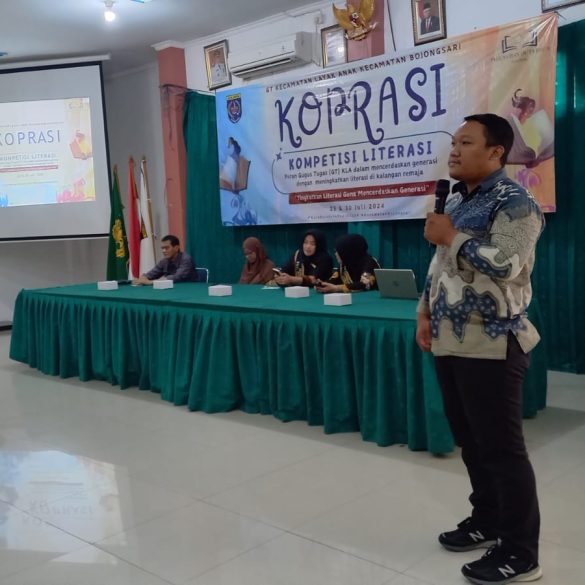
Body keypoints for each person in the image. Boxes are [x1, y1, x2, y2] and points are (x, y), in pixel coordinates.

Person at [416, 114, 544, 585]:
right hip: (451, 338)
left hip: (493, 341)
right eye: (453, 142)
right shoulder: (456, 199)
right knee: (472, 442)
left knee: (502, 449)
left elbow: (507, 263)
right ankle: (487, 520)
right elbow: (439, 265)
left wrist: (451, 236)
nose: (454, 150)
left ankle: (521, 552)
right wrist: (424, 311)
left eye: (466, 142)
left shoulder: (516, 201)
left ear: (495, 152)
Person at [315, 233, 380, 293]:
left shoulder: (370, 262)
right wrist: (323, 284)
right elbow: (334, 280)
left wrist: (337, 288)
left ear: (348, 252)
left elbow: (365, 284)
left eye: (339, 251)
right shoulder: (345, 263)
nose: (336, 254)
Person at [133, 234, 197, 284]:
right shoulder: (164, 261)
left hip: (189, 289)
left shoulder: (186, 259)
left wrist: (151, 282)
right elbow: (152, 274)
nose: (163, 251)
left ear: (176, 248)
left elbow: (176, 277)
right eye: (162, 248)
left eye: (166, 248)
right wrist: (143, 278)